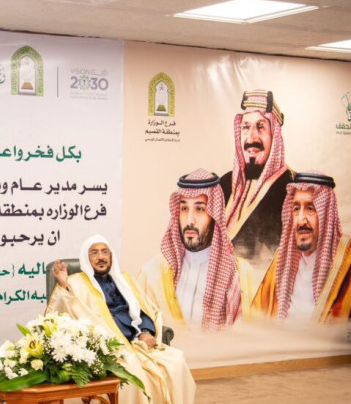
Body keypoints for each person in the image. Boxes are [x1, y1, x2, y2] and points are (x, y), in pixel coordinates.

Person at [46, 235, 195, 404]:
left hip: (136, 340)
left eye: (104, 252)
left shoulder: (125, 280)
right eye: (94, 253)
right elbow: (64, 314)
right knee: (133, 370)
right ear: (87, 258)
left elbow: (145, 309)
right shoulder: (76, 283)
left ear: (111, 256)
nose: (100, 257)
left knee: (176, 362)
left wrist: (147, 332)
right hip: (109, 345)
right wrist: (63, 285)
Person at [138, 169, 256, 331]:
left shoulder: (238, 275)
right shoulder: (152, 273)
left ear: (214, 216)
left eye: (200, 209)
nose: (189, 221)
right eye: (184, 209)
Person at [252, 173, 351, 322]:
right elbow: (256, 317)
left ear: (326, 215)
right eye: (296, 209)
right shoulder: (281, 260)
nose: (300, 220)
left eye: (310, 209)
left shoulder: (346, 261)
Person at [220, 89, 294, 265]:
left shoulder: (291, 187)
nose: (251, 138)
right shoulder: (224, 184)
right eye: (246, 127)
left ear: (274, 135)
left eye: (260, 127)